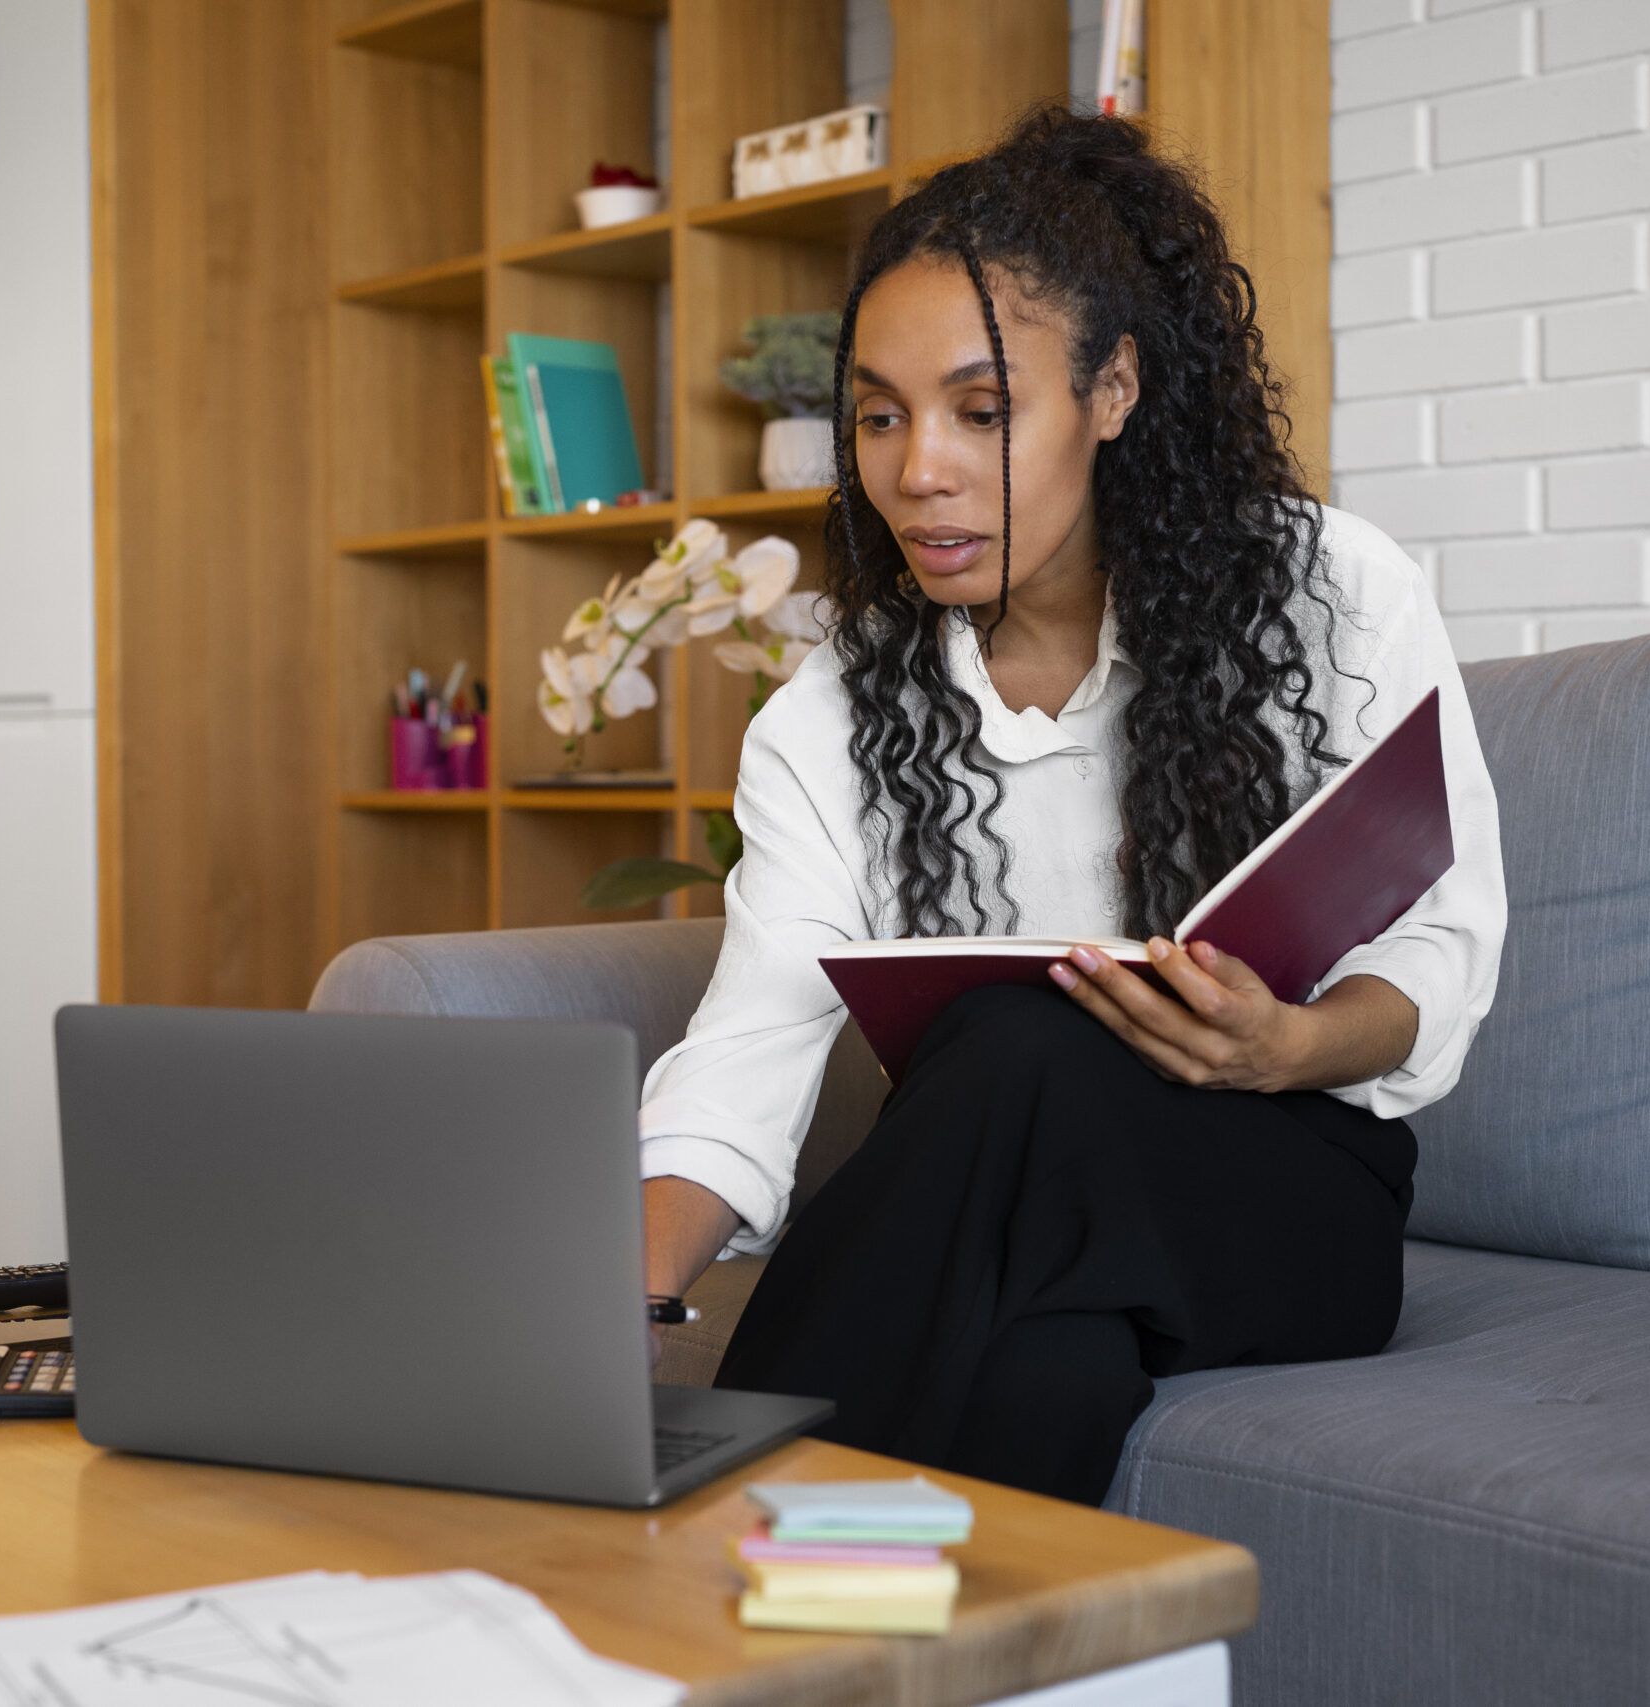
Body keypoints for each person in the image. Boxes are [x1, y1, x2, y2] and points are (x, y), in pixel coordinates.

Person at [635, 106, 1507, 1507]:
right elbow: (749, 1049)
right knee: (1047, 1370)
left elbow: (1441, 958)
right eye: (878, 415)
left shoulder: (1331, 593)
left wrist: (1280, 1045)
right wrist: (621, 1289)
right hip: (1026, 1212)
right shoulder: (835, 709)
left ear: (1112, 391)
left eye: (983, 412)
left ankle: (682, 1545)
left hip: (1293, 1195)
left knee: (1012, 1039)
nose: (918, 467)